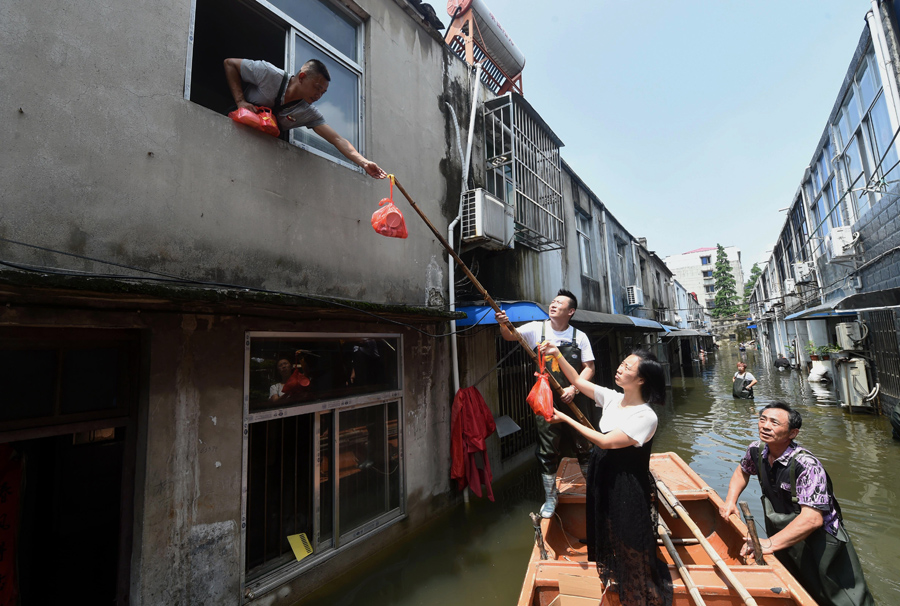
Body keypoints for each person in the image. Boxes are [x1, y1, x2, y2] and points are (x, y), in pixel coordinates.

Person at [540, 344, 672, 606]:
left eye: (627, 367)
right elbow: (577, 380)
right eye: (621, 363)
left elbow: (605, 441)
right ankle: (616, 576)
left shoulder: (645, 415)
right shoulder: (614, 398)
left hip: (626, 482)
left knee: (629, 533)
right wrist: (557, 355)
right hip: (603, 474)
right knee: (605, 524)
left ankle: (638, 592)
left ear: (641, 379)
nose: (620, 368)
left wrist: (566, 420)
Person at [720, 403, 874, 606]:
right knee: (796, 585)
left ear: (793, 433)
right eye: (763, 419)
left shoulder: (807, 466)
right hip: (783, 533)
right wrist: (730, 501)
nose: (765, 426)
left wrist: (769, 543)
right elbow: (743, 471)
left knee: (842, 596)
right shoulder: (756, 450)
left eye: (774, 422)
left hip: (822, 541)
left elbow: (812, 518)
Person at [495, 289, 595, 518]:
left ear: (570, 311)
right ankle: (551, 497)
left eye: (559, 302)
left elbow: (589, 367)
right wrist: (503, 324)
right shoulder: (535, 329)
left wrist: (574, 388)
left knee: (584, 444)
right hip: (546, 400)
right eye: (552, 301)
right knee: (547, 449)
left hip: (574, 399)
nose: (553, 304)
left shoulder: (579, 336)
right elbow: (510, 335)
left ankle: (594, 488)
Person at [223, 58, 386, 179]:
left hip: (260, 157)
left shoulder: (307, 112)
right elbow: (230, 64)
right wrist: (240, 101)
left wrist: (364, 163)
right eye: (317, 88)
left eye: (323, 92)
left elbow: (338, 139)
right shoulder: (269, 74)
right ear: (301, 77)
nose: (319, 95)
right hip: (232, 133)